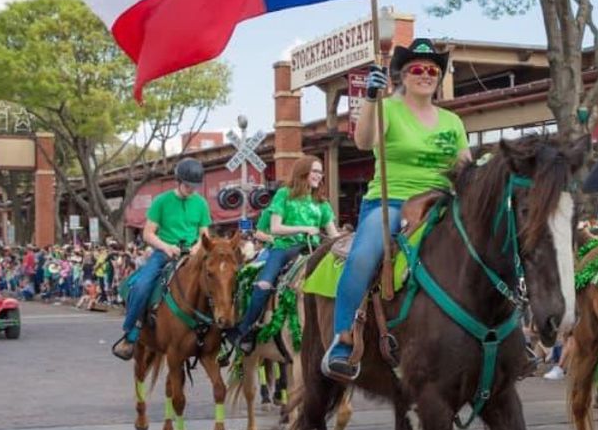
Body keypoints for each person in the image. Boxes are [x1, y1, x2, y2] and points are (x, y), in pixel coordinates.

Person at [323, 39, 470, 380]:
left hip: (443, 203)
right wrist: (371, 99)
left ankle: (507, 333)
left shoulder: (452, 121)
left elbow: (465, 167)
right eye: (417, 69)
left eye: (433, 70)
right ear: (403, 75)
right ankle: (344, 339)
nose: (425, 74)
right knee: (363, 256)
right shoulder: (387, 107)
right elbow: (363, 142)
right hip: (392, 203)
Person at [232, 156, 337, 354]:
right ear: (302, 172)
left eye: (320, 172)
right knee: (263, 285)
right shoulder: (284, 194)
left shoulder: (322, 203)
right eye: (314, 171)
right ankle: (245, 330)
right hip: (283, 249)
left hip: (313, 250)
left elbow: (334, 235)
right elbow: (275, 227)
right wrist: (304, 228)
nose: (318, 176)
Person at [112, 157, 212, 360]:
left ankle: (222, 333)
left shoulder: (201, 203)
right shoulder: (161, 201)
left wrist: (196, 248)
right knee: (141, 286)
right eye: (187, 185)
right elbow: (148, 234)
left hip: (192, 254)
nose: (191, 189)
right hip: (164, 253)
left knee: (219, 282)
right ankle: (130, 334)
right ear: (178, 180)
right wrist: (166, 247)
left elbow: (205, 234)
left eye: (194, 186)